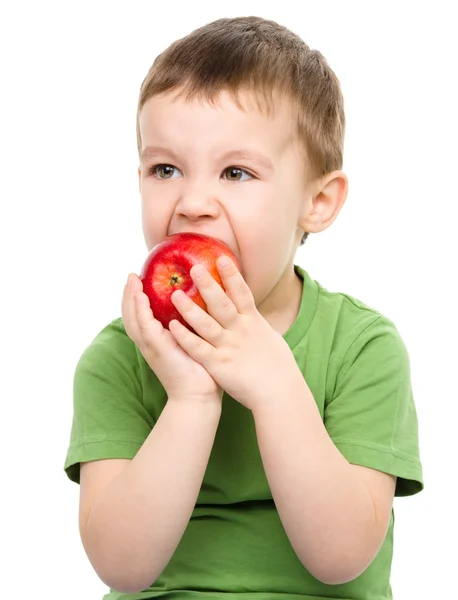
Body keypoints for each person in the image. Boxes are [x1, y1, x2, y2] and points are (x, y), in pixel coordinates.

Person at [64, 15, 423, 600]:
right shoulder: (118, 356)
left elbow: (342, 557)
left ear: (318, 202)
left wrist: (275, 384)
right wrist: (192, 399)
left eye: (236, 172)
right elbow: (122, 567)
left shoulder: (363, 347)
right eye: (166, 169)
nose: (194, 202)